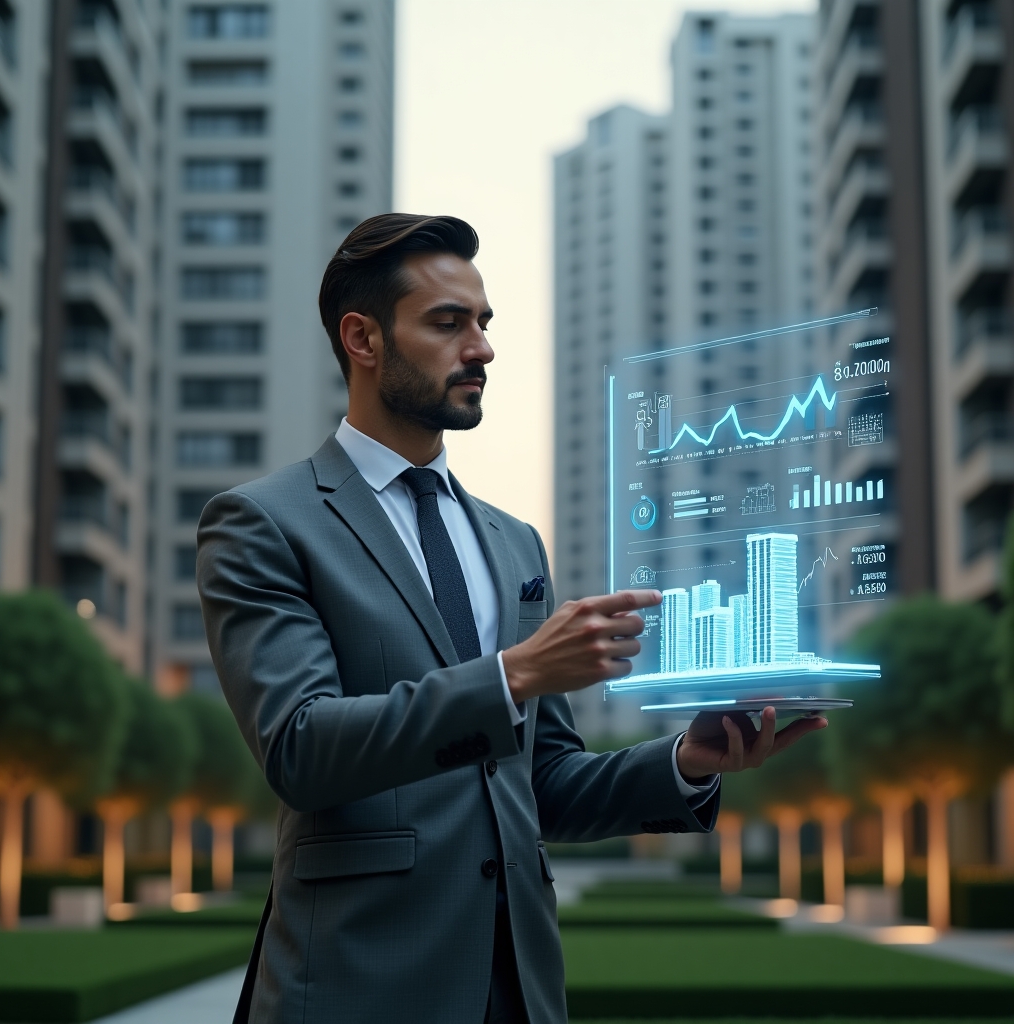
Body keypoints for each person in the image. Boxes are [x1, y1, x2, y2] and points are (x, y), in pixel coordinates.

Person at [197, 214, 826, 1024]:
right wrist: (516, 673)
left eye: (485, 323)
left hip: (520, 990)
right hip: (360, 986)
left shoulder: (514, 541)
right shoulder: (263, 522)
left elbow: (542, 782)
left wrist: (687, 761)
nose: (483, 349)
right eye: (448, 323)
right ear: (363, 338)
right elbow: (301, 747)